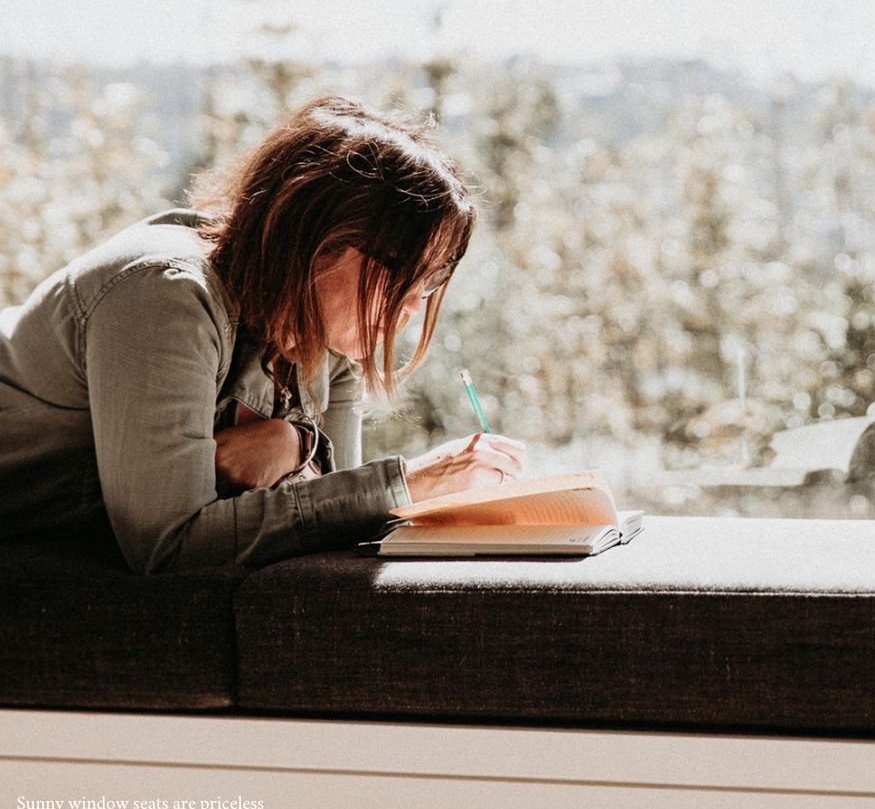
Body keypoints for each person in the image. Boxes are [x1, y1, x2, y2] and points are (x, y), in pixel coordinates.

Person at [0, 94, 528, 574]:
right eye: (407, 273)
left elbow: (338, 512)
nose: (416, 303)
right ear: (321, 239)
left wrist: (299, 444)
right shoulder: (164, 296)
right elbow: (170, 545)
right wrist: (405, 480)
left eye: (433, 281)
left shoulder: (330, 337)